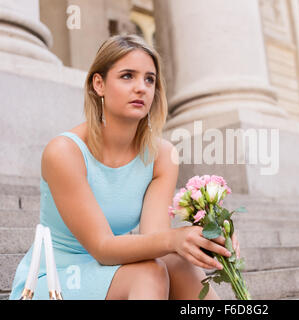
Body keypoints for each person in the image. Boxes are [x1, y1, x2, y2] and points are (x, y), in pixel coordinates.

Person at [9, 34, 240, 300]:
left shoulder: (162, 155)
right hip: (56, 277)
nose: (141, 87)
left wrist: (210, 239)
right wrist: (176, 238)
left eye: (149, 79)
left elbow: (154, 239)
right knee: (150, 272)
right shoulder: (64, 152)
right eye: (127, 76)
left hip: (113, 271)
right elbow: (103, 248)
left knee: (176, 263)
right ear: (99, 84)